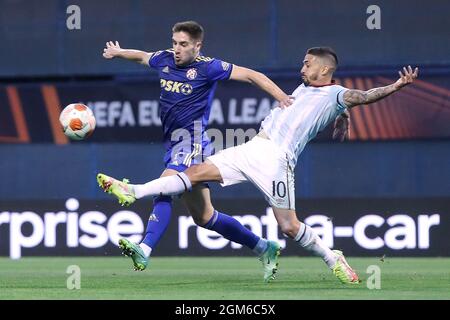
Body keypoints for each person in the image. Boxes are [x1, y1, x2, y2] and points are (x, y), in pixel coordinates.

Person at [98, 46, 419, 284]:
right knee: (193, 174)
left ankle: (332, 256)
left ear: (324, 69)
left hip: (278, 161)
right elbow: (319, 105)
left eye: (307, 64)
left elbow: (363, 96)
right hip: (254, 147)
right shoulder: (307, 88)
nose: (302, 67)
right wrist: (342, 116)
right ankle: (133, 190)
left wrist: (394, 87)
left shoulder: (336, 92)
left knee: (290, 227)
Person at [101, 21, 300, 283]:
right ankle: (264, 247)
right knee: (205, 217)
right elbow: (141, 57)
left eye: (183, 44)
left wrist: (281, 96)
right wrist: (119, 52)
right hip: (173, 143)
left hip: (192, 141)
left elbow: (252, 75)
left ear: (197, 46)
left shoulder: (208, 67)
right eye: (174, 43)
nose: (176, 49)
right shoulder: (164, 59)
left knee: (165, 185)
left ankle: (145, 247)